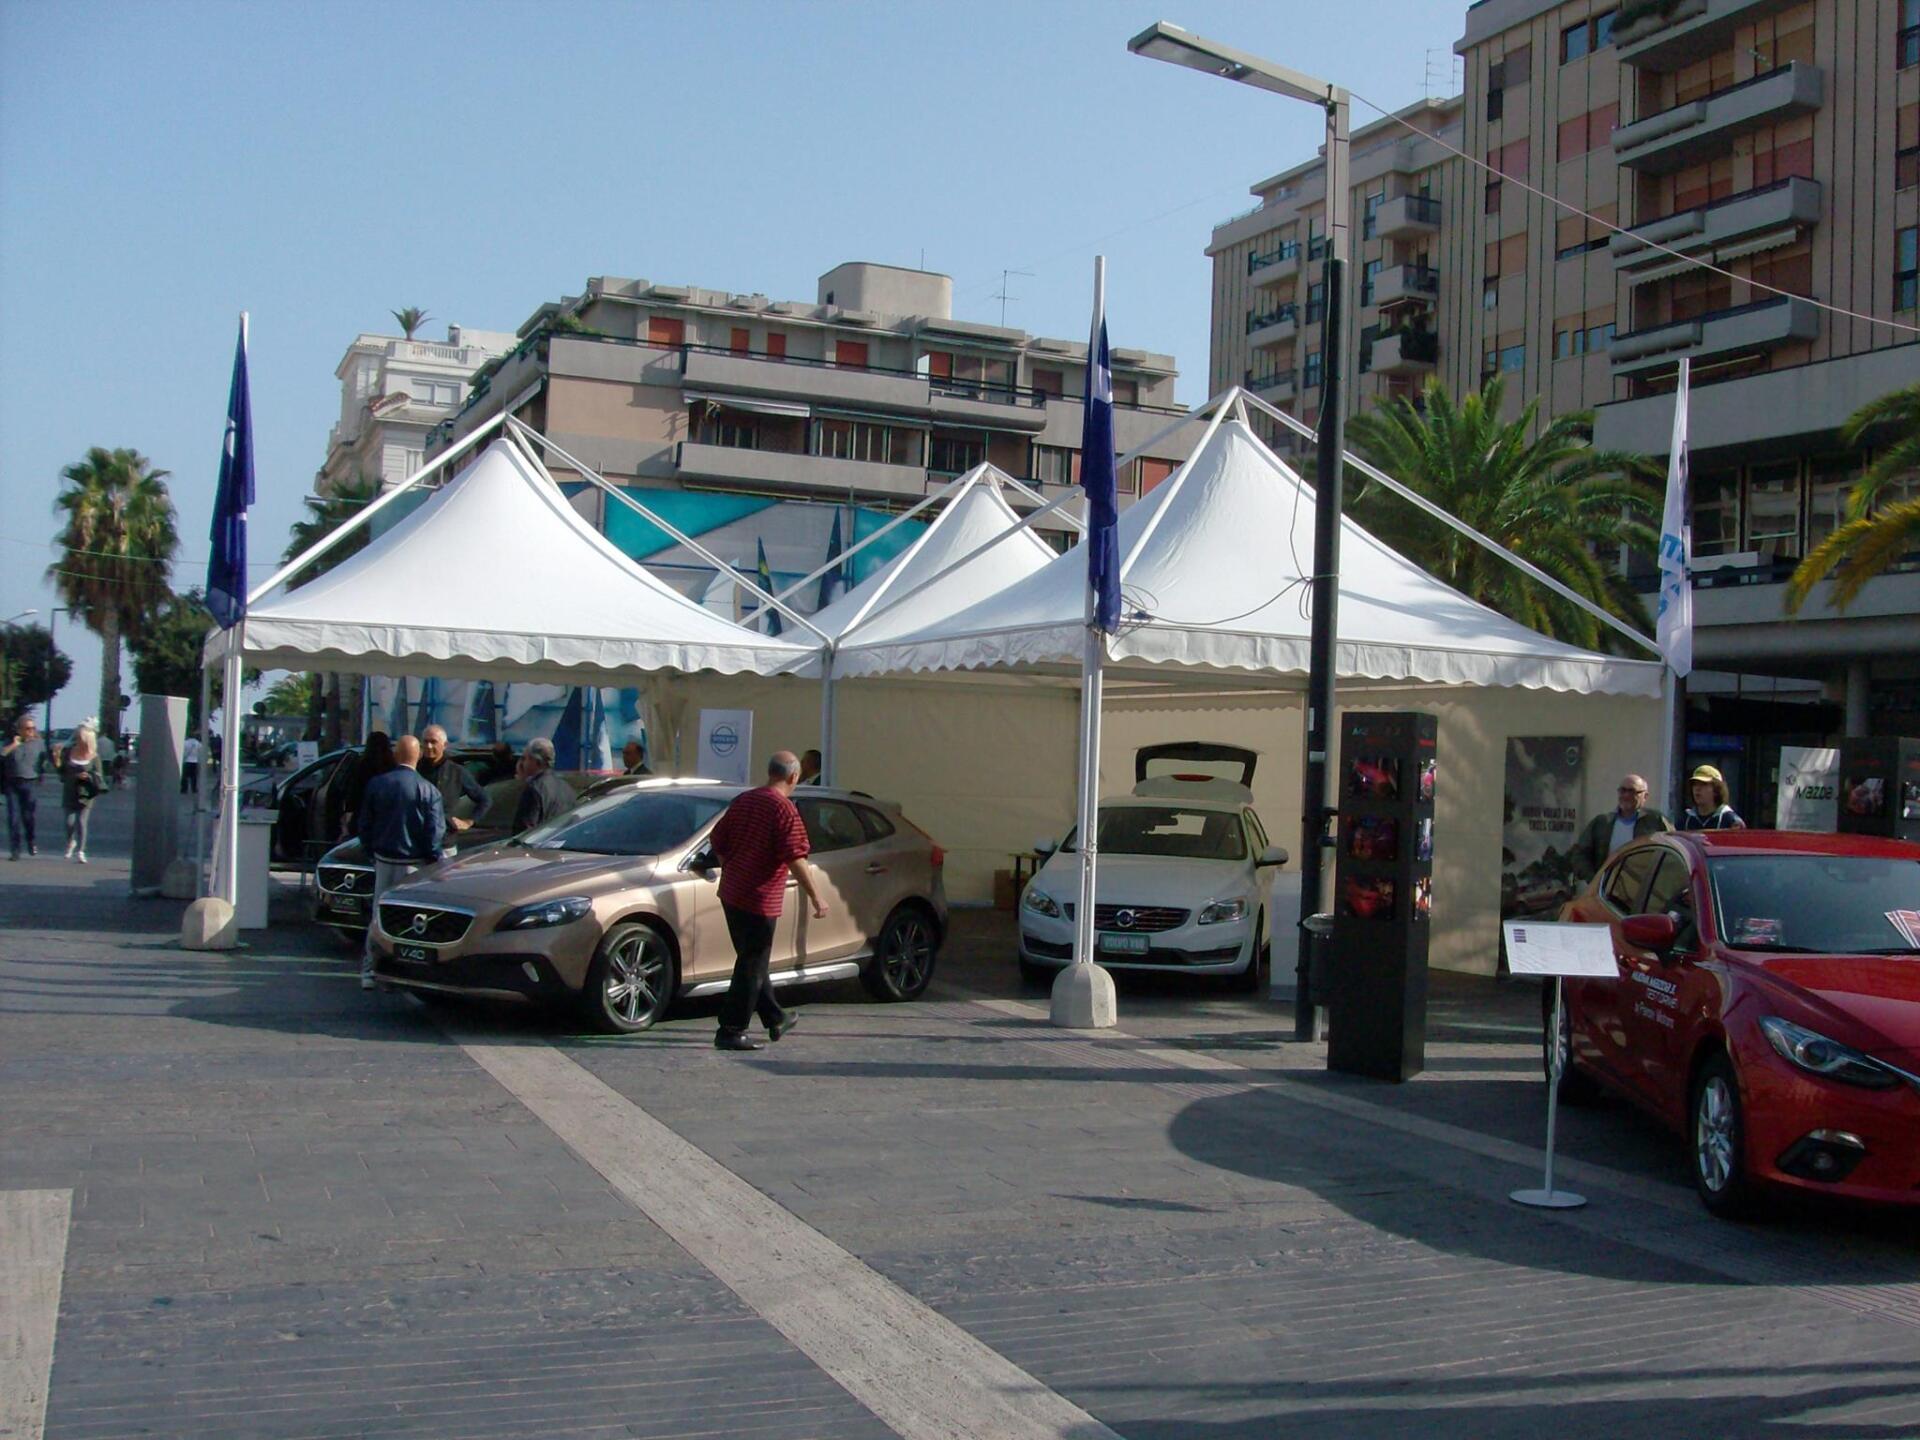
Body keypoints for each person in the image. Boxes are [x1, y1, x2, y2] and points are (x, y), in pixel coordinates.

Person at [707, 751, 827, 1051]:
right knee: (751, 962)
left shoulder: (745, 800)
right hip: (760, 898)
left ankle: (775, 1017)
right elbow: (796, 857)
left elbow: (717, 838)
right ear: (794, 777)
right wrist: (817, 897)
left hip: (732, 892)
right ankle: (731, 1029)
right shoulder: (784, 810)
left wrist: (733, 865)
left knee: (752, 959)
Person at [355, 734, 445, 991]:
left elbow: (365, 824)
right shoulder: (428, 790)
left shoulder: (377, 784)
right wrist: (433, 859)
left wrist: (370, 850)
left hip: (384, 858)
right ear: (417, 756)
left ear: (397, 755)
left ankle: (371, 968)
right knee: (412, 920)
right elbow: (434, 831)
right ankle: (406, 968)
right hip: (414, 864)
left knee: (378, 915)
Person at [1572, 773, 1671, 879]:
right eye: (1623, 790)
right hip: (1608, 891)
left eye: (1632, 791)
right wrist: (1594, 880)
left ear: (1645, 796)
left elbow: (1674, 852)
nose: (1626, 795)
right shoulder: (1602, 823)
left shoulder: (1656, 821)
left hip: (1645, 890)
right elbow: (1579, 854)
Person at [418, 725, 487, 839]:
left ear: (444, 745)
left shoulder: (456, 772)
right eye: (425, 742)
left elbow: (484, 800)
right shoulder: (415, 770)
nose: (429, 746)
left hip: (445, 841)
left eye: (433, 742)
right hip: (417, 840)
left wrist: (469, 822)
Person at [60, 724, 106, 864]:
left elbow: (100, 777)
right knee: (69, 822)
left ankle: (81, 850)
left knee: (81, 822)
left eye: (80, 738)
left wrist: (89, 776)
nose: (77, 740)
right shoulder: (69, 752)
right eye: (77, 737)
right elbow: (62, 774)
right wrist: (57, 759)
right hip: (70, 790)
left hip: (85, 793)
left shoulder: (94, 756)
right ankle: (71, 842)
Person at [338, 731, 395, 839]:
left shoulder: (361, 766)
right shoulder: (392, 767)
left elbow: (353, 796)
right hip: (387, 821)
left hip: (363, 818)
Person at [4, 714, 46, 860]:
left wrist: (42, 772)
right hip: (12, 783)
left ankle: (31, 840)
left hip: (30, 782)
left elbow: (44, 760)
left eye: (33, 728)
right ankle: (15, 850)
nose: (31, 731)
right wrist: (14, 745)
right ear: (20, 730)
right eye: (28, 729)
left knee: (28, 817)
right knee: (13, 817)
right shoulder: (11, 742)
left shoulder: (39, 743)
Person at [512, 737, 573, 832]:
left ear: (536, 761)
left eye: (525, 758)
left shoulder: (534, 789)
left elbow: (525, 828)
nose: (522, 763)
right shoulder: (565, 787)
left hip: (538, 843)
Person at [1680, 765, 1745, 831]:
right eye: (1694, 784)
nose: (1697, 788)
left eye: (1703, 784)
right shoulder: (1685, 820)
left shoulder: (1731, 821)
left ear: (1716, 790)